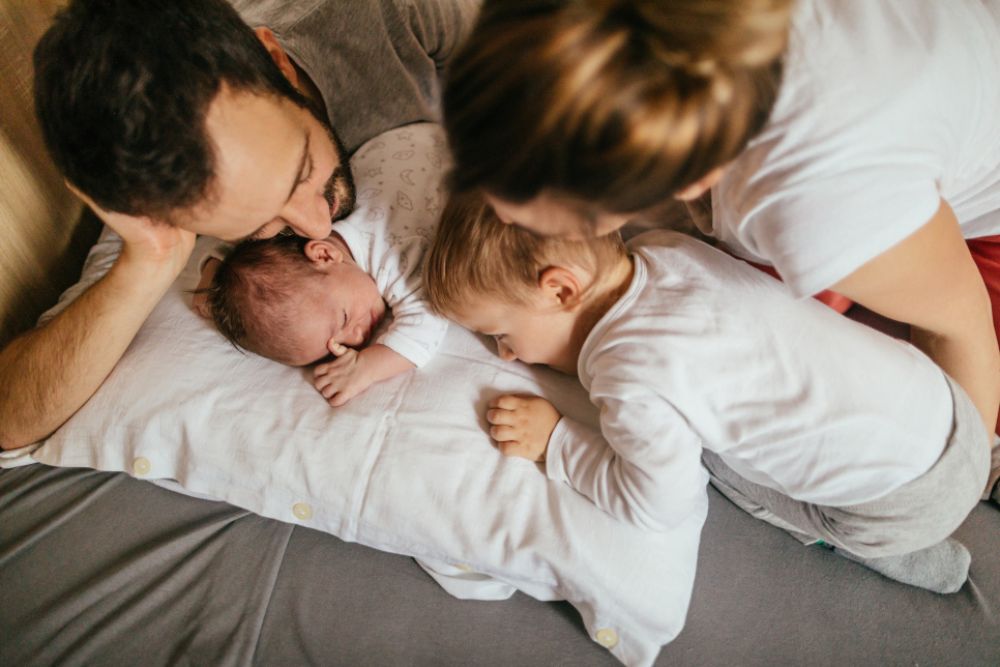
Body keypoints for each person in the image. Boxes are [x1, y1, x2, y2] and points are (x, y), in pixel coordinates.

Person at [441, 0, 1000, 493]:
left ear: (687, 184)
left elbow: (961, 319)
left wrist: (952, 483)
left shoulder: (812, 200)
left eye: (522, 209)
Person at [424, 192, 992, 593]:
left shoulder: (630, 379)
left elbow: (655, 504)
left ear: (560, 288)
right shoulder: (664, 246)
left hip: (897, 511)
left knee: (718, 464)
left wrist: (557, 441)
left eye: (502, 333)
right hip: (955, 404)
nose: (504, 353)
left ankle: (917, 562)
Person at [0, 0, 477, 450]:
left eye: (303, 171)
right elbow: (10, 422)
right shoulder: (177, 192)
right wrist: (152, 260)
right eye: (258, 226)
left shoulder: (372, 16)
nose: (316, 226)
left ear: (278, 63)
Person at [207, 124, 450, 406]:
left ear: (323, 255)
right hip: (417, 136)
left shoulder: (392, 259)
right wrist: (213, 262)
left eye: (345, 319)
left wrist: (367, 367)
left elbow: (427, 322)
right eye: (338, 347)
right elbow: (246, 238)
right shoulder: (317, 212)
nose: (358, 337)